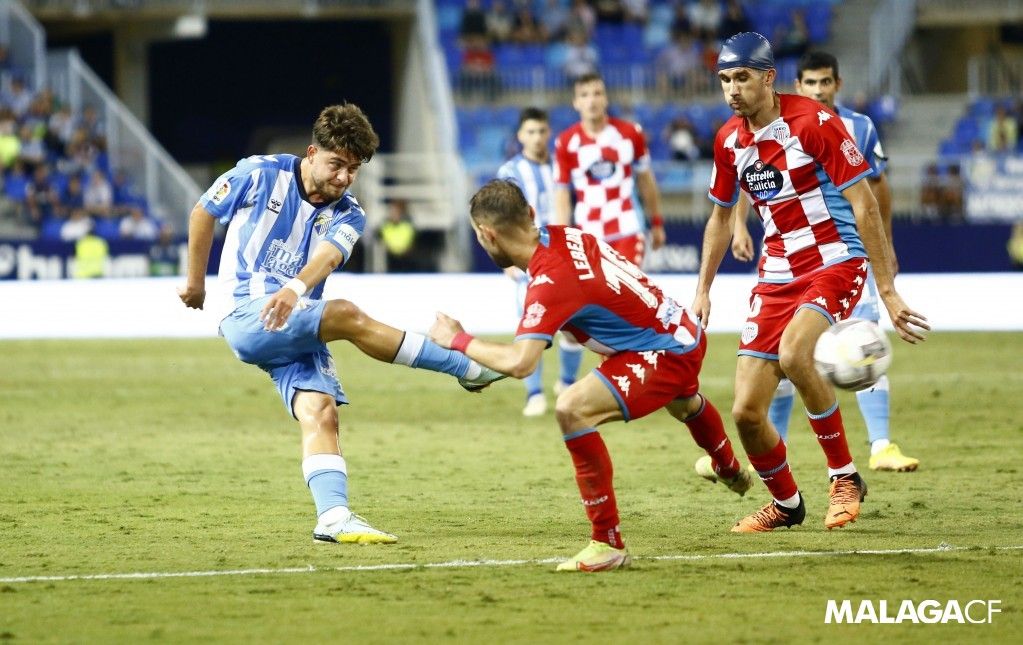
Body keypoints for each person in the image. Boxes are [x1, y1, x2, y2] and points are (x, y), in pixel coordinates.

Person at [178, 104, 503, 546]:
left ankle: (333, 516)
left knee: (321, 412)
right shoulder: (259, 173)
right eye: (337, 165)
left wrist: (294, 289)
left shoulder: (350, 213)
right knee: (347, 314)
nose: (344, 178)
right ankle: (464, 366)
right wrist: (196, 283)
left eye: (354, 169)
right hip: (247, 314)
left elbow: (328, 256)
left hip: (296, 320)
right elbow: (203, 211)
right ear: (312, 153)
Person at [429, 179, 753, 572]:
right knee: (684, 402)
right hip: (671, 329)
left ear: (487, 234)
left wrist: (458, 339)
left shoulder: (550, 281)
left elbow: (521, 363)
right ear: (531, 215)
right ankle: (730, 469)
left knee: (572, 409)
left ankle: (608, 542)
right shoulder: (564, 237)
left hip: (665, 349)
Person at [694, 33, 929, 533]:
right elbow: (718, 219)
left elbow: (865, 202)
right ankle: (786, 504)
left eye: (742, 78)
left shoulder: (815, 122)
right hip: (776, 274)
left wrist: (886, 290)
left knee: (796, 355)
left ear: (768, 76)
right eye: (724, 80)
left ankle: (845, 478)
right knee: (745, 412)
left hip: (834, 261)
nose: (732, 90)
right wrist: (702, 289)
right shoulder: (727, 141)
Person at [730, 50, 920, 473]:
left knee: (862, 342)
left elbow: (875, 191)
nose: (818, 90)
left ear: (837, 84)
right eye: (810, 83)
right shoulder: (762, 129)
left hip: (844, 254)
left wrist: (884, 249)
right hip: (787, 263)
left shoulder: (858, 127)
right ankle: (778, 450)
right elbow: (744, 177)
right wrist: (738, 225)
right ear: (797, 86)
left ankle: (880, 445)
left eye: (825, 83)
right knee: (783, 359)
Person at [498, 107, 584, 417]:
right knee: (531, 327)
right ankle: (534, 394)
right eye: (530, 132)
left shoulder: (562, 168)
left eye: (541, 131)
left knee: (575, 327)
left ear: (549, 134)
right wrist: (507, 259)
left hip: (563, 256)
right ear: (521, 136)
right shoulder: (510, 171)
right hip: (529, 262)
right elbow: (500, 217)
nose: (536, 138)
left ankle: (567, 383)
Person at [553, 72, 666, 268]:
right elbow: (562, 195)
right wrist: (562, 236)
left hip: (628, 228)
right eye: (584, 95)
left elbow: (646, 181)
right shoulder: (565, 142)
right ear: (576, 103)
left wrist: (656, 222)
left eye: (597, 93)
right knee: (595, 298)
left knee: (625, 294)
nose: (591, 100)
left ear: (605, 99)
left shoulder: (630, 134)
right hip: (587, 234)